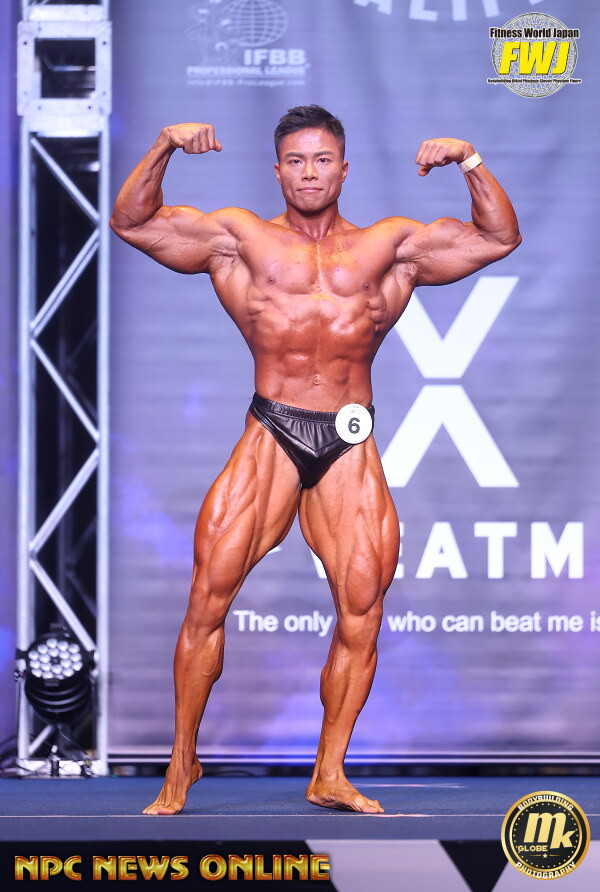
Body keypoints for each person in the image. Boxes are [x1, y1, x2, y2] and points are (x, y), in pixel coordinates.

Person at [110, 105, 521, 815]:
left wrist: (470, 160)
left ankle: (329, 772)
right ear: (278, 171)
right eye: (296, 161)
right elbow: (133, 222)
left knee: (362, 611)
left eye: (322, 159)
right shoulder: (240, 239)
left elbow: (498, 237)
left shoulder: (390, 246)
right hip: (272, 427)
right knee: (208, 598)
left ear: (343, 168)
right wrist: (163, 147)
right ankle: (181, 763)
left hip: (348, 439)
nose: (309, 173)